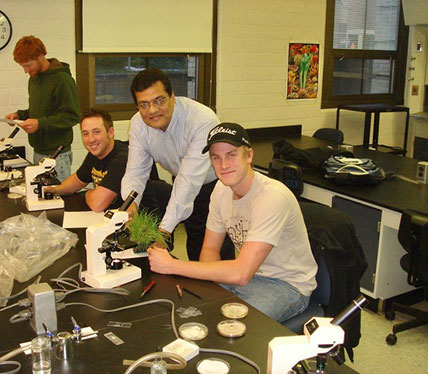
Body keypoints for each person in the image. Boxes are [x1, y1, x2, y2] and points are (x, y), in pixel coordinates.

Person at [148, 122, 317, 322]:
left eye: (231, 155)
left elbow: (241, 273)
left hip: (286, 284)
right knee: (196, 309)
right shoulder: (221, 190)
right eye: (216, 158)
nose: (224, 165)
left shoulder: (271, 197)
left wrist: (172, 266)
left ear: (249, 155)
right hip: (249, 275)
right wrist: (210, 289)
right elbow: (210, 250)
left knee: (231, 325)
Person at [120, 68, 234, 261]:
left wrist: (164, 231)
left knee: (216, 252)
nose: (152, 110)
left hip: (216, 187)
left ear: (172, 97)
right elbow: (135, 172)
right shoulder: (138, 124)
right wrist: (129, 208)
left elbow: (189, 181)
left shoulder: (202, 121)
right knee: (195, 245)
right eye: (144, 104)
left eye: (159, 100)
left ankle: (226, 291)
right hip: (182, 182)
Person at [44, 108, 170, 214]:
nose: (91, 139)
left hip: (140, 228)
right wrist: (55, 189)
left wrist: (88, 193)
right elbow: (77, 180)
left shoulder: (122, 159)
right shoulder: (95, 154)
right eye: (85, 134)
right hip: (113, 218)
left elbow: (97, 204)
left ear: (110, 132)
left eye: (96, 132)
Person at [5, 36, 80, 182]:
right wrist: (19, 115)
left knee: (59, 197)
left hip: (58, 154)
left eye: (28, 65)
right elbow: (39, 111)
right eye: (23, 67)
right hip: (38, 150)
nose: (26, 71)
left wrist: (40, 124)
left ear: (40, 56)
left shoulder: (62, 80)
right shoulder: (34, 79)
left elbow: (72, 115)